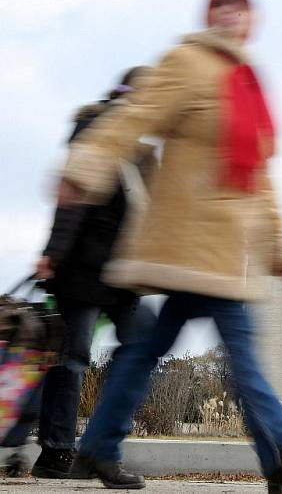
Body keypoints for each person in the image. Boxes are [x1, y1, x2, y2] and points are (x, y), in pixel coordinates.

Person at [58, 0, 282, 491]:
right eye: (221, 5)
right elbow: (133, 117)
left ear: (251, 21)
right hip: (187, 240)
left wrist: (276, 246)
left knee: (148, 347)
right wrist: (84, 167)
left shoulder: (247, 83)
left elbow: (258, 179)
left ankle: (97, 447)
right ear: (210, 15)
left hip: (223, 247)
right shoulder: (187, 61)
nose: (230, 14)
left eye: (239, 7)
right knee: (241, 353)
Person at [0, 68, 156, 478]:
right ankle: (57, 452)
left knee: (142, 345)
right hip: (81, 269)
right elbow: (71, 202)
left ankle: (100, 448)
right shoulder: (95, 129)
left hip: (123, 273)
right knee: (72, 360)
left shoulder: (142, 147)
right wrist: (52, 253)